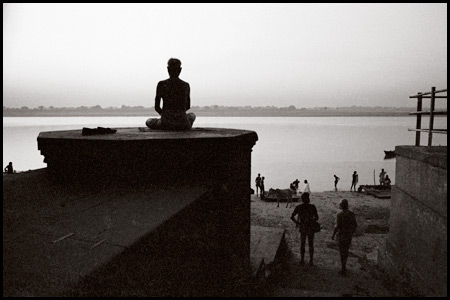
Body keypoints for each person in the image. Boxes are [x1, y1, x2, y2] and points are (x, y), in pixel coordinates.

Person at [145, 58, 196, 131]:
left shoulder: (161, 84)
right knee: (192, 115)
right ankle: (185, 123)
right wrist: (179, 114)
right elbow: (187, 106)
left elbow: (157, 107)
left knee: (149, 121)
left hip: (166, 123)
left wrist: (165, 115)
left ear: (168, 69)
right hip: (183, 123)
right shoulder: (185, 85)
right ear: (180, 70)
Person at [290, 192, 319, 265]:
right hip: (310, 227)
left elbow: (292, 217)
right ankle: (311, 261)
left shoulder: (299, 207)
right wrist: (312, 220)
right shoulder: (312, 207)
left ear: (302, 199)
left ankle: (302, 260)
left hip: (302, 227)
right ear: (308, 198)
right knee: (311, 244)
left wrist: (297, 223)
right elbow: (317, 218)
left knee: (302, 244)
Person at [332, 199, 357, 276]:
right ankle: (344, 266)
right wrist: (351, 232)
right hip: (348, 235)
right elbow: (355, 225)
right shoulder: (352, 214)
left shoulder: (339, 214)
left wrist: (333, 235)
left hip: (341, 234)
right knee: (346, 251)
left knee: (341, 251)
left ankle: (343, 268)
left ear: (341, 205)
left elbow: (337, 226)